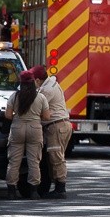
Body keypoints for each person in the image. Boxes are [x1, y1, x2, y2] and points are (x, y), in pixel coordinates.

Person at [4, 70, 51, 199]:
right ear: (32, 82)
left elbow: (8, 115)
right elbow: (47, 117)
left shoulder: (14, 96)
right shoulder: (40, 97)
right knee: (34, 161)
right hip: (35, 129)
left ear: (21, 83)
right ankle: (34, 191)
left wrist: (17, 116)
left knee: (14, 162)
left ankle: (11, 191)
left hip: (17, 128)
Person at [31, 65, 73, 199]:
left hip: (56, 126)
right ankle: (57, 186)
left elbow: (37, 107)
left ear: (38, 80)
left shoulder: (47, 91)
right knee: (54, 157)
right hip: (60, 125)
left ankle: (60, 189)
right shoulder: (52, 84)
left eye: (33, 80)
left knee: (56, 157)